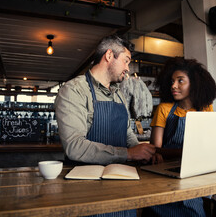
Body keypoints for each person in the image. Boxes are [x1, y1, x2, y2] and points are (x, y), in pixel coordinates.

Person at [55, 34, 156, 217]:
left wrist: (142, 153)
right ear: (109, 56)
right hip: (86, 191)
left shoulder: (119, 95)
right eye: (126, 61)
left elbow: (126, 134)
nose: (128, 68)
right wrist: (127, 153)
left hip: (122, 183)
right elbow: (74, 146)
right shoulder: (74, 90)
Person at [142, 57, 216, 217]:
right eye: (172, 81)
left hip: (192, 175)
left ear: (194, 84)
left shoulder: (206, 109)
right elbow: (155, 148)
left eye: (180, 81)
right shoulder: (164, 109)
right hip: (164, 174)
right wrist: (186, 153)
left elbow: (209, 145)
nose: (173, 86)